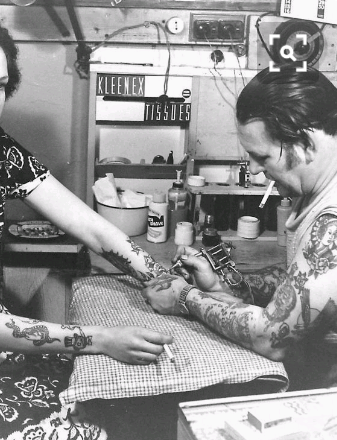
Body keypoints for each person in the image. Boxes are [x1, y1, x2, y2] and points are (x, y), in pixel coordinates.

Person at [0, 11, 173, 440]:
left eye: (1, 85)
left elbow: (93, 227)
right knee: (83, 431)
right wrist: (102, 338)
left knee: (118, 403)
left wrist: (160, 279)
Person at [143, 65, 337, 391]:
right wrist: (227, 284)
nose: (258, 172)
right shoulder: (316, 188)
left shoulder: (332, 224)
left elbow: (272, 337)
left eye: (262, 157)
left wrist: (186, 298)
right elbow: (302, 280)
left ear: (306, 143)